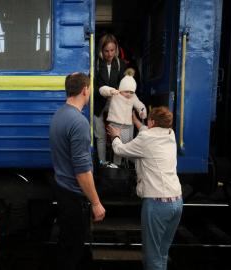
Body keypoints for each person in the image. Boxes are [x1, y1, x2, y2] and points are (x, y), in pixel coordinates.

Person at [106, 106, 182, 270]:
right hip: (176, 202)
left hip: (157, 205)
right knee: (162, 253)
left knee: (152, 257)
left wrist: (116, 136)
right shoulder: (170, 134)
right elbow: (149, 131)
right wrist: (137, 123)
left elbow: (119, 150)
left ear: (152, 122)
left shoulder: (146, 138)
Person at [49, 72, 106, 270]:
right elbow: (82, 171)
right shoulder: (79, 122)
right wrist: (96, 203)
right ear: (85, 90)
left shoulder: (59, 115)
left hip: (62, 188)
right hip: (73, 195)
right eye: (89, 89)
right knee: (73, 250)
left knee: (66, 246)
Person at [99, 68, 147, 166]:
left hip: (128, 126)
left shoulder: (133, 97)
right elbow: (102, 90)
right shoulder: (115, 94)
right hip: (115, 124)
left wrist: (142, 112)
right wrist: (110, 91)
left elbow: (140, 105)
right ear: (121, 89)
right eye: (126, 91)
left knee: (128, 146)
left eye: (131, 92)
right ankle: (117, 165)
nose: (129, 94)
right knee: (118, 146)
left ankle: (125, 164)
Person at [94, 33, 126, 164]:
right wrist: (102, 91)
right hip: (98, 104)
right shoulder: (95, 64)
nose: (110, 54)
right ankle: (102, 163)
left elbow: (125, 85)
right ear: (101, 50)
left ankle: (116, 165)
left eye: (112, 50)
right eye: (106, 51)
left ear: (116, 49)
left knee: (116, 135)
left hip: (115, 105)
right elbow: (93, 87)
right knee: (100, 136)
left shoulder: (120, 64)